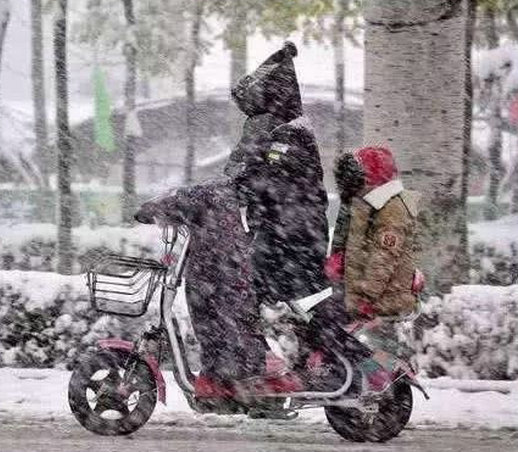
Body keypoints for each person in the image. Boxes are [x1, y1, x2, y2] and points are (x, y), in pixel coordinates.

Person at [224, 42, 329, 395]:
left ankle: (265, 363)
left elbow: (261, 177)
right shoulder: (276, 130)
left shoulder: (289, 135)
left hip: (292, 238)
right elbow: (242, 168)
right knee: (266, 297)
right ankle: (279, 362)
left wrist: (238, 182)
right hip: (281, 234)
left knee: (243, 289)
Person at [134, 179, 268, 397]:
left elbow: (177, 201)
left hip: (215, 272)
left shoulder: (207, 194)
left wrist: (151, 210)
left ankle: (222, 382)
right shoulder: (220, 197)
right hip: (222, 270)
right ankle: (223, 380)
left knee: (211, 323)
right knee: (220, 326)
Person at [325, 146, 421, 392]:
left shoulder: (390, 210)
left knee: (322, 323)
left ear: (372, 176)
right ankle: (332, 370)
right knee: (313, 318)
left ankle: (378, 368)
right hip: (369, 290)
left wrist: (366, 296)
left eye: (360, 176)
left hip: (382, 295)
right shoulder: (371, 205)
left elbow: (383, 259)